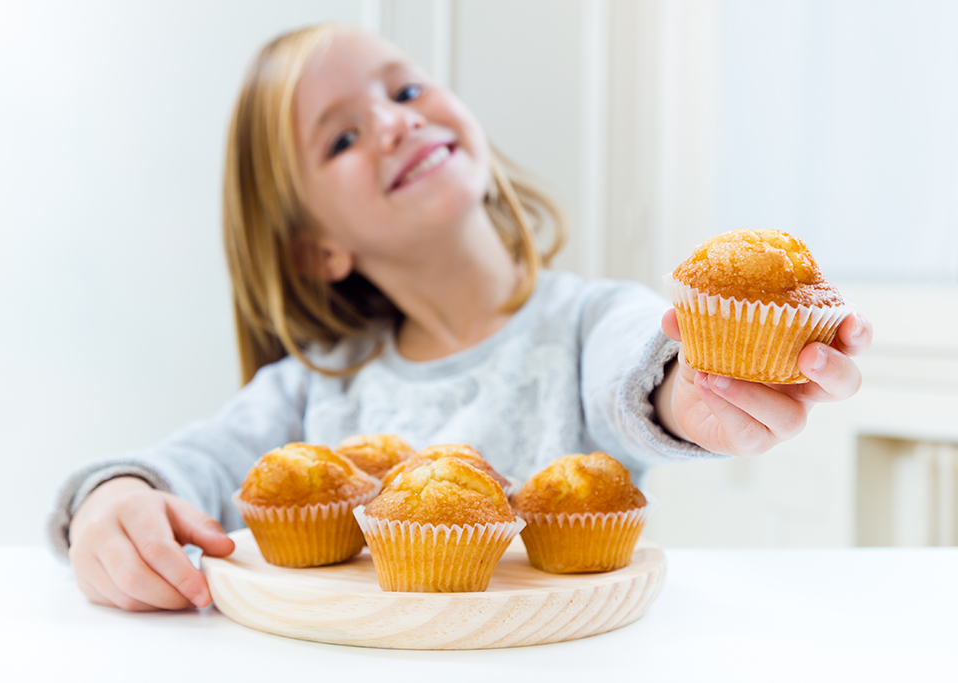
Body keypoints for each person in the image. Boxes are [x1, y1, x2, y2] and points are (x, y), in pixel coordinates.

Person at [49, 23, 872, 612]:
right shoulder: (311, 387)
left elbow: (641, 364)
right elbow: (195, 463)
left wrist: (694, 391)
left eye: (406, 90)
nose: (395, 121)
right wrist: (112, 496)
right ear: (317, 249)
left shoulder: (589, 321)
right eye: (342, 138)